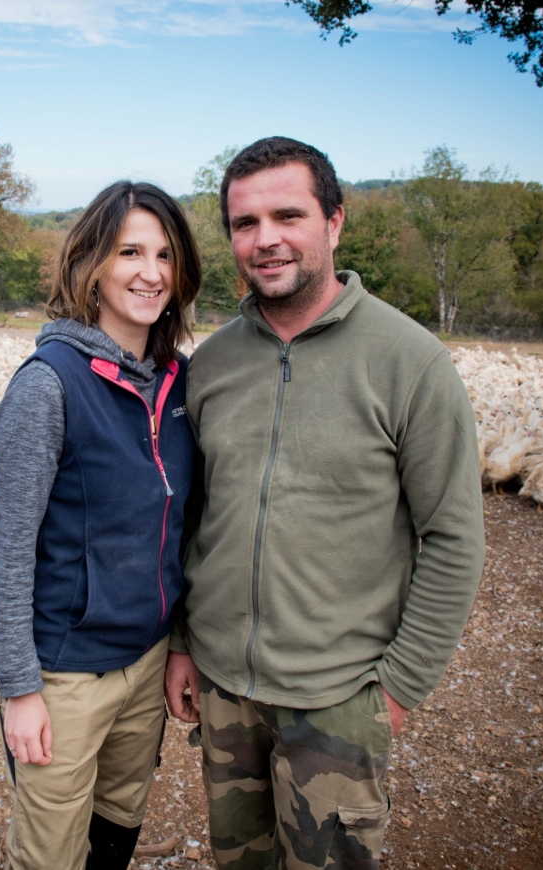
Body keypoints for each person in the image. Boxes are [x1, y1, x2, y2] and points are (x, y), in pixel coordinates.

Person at [165, 137, 485, 869]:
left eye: (288, 215)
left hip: (339, 697)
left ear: (334, 221)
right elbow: (194, 519)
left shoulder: (411, 363)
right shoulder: (211, 365)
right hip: (223, 689)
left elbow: (454, 538)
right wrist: (184, 641)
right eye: (245, 223)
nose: (266, 239)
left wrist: (398, 687)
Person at [0, 180, 201, 870]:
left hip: (146, 659)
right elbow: (9, 552)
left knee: (119, 820)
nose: (150, 272)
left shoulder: (179, 383)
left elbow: (185, 528)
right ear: (92, 265)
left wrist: (179, 645)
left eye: (165, 255)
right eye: (129, 251)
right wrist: (20, 690)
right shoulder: (48, 384)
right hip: (65, 671)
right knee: (50, 854)